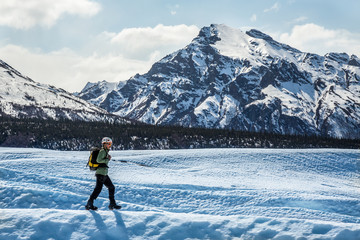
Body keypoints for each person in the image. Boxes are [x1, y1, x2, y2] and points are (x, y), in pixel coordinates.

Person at [85, 137, 121, 210]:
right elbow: (98, 160)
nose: (110, 145)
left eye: (110, 144)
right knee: (98, 189)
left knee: (111, 187)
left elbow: (102, 161)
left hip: (103, 174)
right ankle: (90, 203)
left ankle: (112, 204)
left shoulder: (105, 151)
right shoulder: (102, 151)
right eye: (109, 144)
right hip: (100, 174)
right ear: (105, 144)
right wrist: (107, 159)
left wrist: (107, 158)